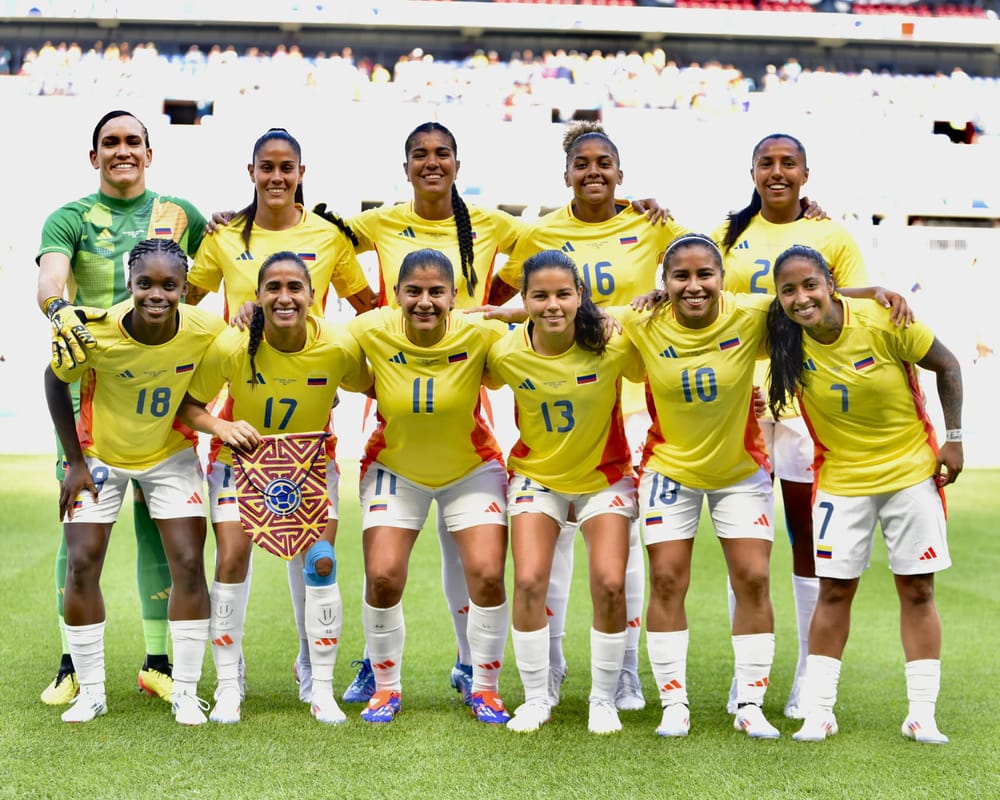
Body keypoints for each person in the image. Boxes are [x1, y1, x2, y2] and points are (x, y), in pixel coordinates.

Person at [486, 121, 688, 712]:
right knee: (543, 570)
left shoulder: (650, 223)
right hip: (557, 400)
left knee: (617, 570)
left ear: (621, 174)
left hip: (623, 400)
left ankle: (623, 674)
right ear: (566, 174)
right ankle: (546, 674)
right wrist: (487, 318)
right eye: (582, 165)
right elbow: (510, 297)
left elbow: (702, 268)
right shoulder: (543, 232)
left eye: (605, 164)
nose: (594, 173)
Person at [186, 127, 376, 704]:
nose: (276, 176)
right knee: (232, 555)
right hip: (242, 441)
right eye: (265, 167)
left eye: (286, 167)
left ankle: (311, 674)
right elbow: (182, 304)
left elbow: (371, 311)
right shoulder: (222, 237)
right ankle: (229, 681)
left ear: (301, 172)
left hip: (308, 449)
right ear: (251, 172)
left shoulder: (330, 241)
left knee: (315, 557)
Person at [336, 121, 522, 706]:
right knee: (385, 568)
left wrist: (504, 307)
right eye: (420, 154)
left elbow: (560, 243)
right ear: (406, 165)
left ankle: (472, 668)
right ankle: (376, 666)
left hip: (466, 400)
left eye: (443, 154)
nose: (432, 163)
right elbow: (319, 236)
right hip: (394, 418)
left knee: (472, 559)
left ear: (458, 165)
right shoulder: (383, 224)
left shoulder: (490, 226)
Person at [36, 109, 208, 707]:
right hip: (94, 391)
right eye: (110, 142)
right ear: (94, 156)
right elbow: (51, 279)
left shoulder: (182, 214)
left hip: (162, 392)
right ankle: (71, 664)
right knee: (78, 532)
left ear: (150, 152)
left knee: (162, 535)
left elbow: (207, 278)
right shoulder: (70, 218)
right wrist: (59, 310)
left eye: (133, 141)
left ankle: (158, 662)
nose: (122, 150)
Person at [765, 245, 962, 744]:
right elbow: (711, 301)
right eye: (787, 289)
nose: (801, 297)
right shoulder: (782, 332)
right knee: (834, 592)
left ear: (830, 281)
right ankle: (819, 712)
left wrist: (954, 439)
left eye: (811, 284)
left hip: (910, 476)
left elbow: (949, 365)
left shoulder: (883, 318)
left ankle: (921, 714)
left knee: (918, 589)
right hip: (840, 483)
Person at [713, 132, 875, 719]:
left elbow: (853, 301)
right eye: (766, 163)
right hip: (743, 408)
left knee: (810, 544)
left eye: (788, 163)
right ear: (751, 171)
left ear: (806, 173)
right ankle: (747, 677)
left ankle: (809, 675)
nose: (777, 172)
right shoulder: (729, 235)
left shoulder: (830, 235)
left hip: (808, 407)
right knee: (747, 551)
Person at [44, 238, 225, 725]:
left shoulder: (206, 327)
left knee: (188, 563)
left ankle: (186, 691)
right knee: (81, 563)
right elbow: (54, 380)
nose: (156, 294)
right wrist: (75, 460)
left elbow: (242, 358)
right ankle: (93, 692)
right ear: (129, 283)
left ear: (186, 289)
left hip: (169, 455)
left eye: (170, 285)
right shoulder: (95, 330)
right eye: (145, 283)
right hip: (100, 455)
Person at [618, 233, 781, 739]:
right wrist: (493, 316)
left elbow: (816, 297)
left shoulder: (752, 313)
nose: (694, 286)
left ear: (721, 277)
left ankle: (751, 704)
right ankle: (674, 704)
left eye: (703, 274)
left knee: (752, 578)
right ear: (663, 283)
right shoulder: (641, 322)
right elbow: (572, 312)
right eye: (680, 276)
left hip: (740, 471)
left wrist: (879, 291)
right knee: (667, 579)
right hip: (670, 471)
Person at [346, 248, 510, 725]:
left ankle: (484, 687)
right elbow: (307, 335)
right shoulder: (371, 328)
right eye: (413, 291)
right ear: (396, 294)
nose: (424, 301)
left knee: (485, 575)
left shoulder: (479, 334)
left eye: (436, 292)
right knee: (382, 576)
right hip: (395, 469)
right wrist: (251, 314)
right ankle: (385, 687)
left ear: (453, 296)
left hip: (470, 469)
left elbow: (544, 332)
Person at [484, 250, 644, 734]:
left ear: (580, 297)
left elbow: (658, 361)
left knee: (611, 583)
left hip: (605, 477)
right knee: (530, 581)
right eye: (540, 296)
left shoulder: (612, 345)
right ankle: (536, 697)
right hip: (538, 478)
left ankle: (604, 698)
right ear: (525, 300)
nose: (552, 305)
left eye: (563, 294)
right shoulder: (505, 352)